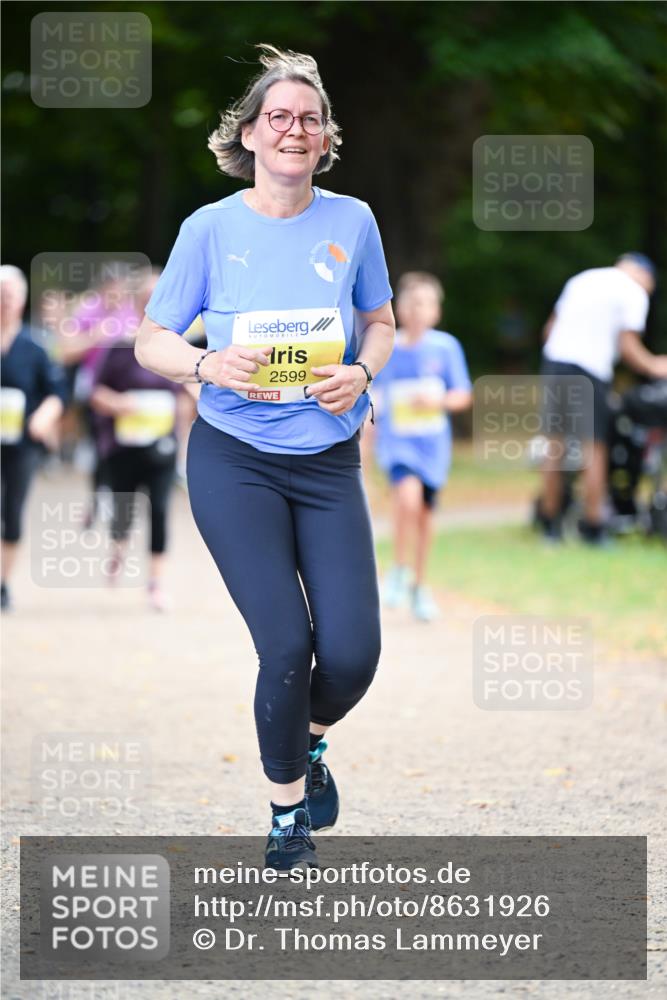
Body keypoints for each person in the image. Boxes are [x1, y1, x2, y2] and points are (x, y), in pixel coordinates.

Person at [134, 44, 395, 870]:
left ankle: (307, 741)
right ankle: (287, 815)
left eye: (309, 119)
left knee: (350, 656)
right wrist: (206, 365)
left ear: (325, 138)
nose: (293, 130)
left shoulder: (352, 221)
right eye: (277, 117)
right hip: (234, 458)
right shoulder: (209, 229)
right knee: (285, 646)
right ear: (248, 134)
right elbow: (151, 340)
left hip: (326, 459)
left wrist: (360, 372)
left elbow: (380, 323)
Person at [539, 253, 667, 544]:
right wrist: (655, 365)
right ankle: (593, 526)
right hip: (590, 370)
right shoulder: (633, 291)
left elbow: (549, 331)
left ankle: (550, 526)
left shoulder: (581, 279)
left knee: (554, 446)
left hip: (555, 363)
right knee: (593, 447)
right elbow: (628, 347)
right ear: (644, 276)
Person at [371, 273, 472, 621]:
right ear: (399, 308)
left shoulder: (445, 347)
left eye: (426, 303)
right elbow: (374, 394)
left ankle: (419, 584)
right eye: (412, 303)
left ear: (436, 311)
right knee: (407, 498)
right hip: (398, 442)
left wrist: (436, 400)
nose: (418, 310)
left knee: (425, 514)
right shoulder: (387, 347)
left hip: (432, 446)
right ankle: (398, 569)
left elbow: (462, 395)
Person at [90, 269, 187, 611]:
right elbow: (94, 391)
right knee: (124, 509)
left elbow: (185, 395)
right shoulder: (119, 346)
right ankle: (117, 549)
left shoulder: (176, 345)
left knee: (159, 510)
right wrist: (117, 404)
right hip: (123, 446)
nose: (150, 304)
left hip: (162, 445)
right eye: (145, 298)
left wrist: (184, 438)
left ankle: (155, 585)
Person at [1, 265, 68, 610]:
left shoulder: (36, 346)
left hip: (22, 443)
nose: (5, 301)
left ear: (22, 299)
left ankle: (3, 583)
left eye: (10, 294)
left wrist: (45, 415)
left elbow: (58, 391)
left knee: (12, 512)